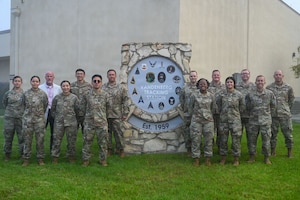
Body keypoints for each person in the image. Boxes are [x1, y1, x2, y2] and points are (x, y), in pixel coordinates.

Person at [246, 75, 276, 164]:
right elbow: (247, 106)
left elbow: (273, 106)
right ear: (255, 82)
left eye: (261, 81)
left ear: (264, 82)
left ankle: (266, 157)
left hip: (265, 121)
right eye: (258, 81)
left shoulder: (270, 94)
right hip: (253, 121)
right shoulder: (250, 94)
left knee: (266, 140)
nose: (260, 82)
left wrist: (267, 115)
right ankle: (252, 156)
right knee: (252, 140)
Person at [216, 77, 245, 166]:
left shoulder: (239, 95)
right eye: (227, 82)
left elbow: (242, 107)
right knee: (223, 140)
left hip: (235, 121)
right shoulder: (221, 94)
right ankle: (223, 158)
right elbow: (218, 105)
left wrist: (235, 114)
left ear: (234, 84)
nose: (229, 84)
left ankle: (236, 159)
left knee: (236, 140)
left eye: (231, 82)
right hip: (223, 121)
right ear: (225, 84)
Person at [82, 74, 109, 166]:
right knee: (87, 142)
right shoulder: (86, 94)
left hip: (102, 123)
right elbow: (82, 107)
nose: (96, 83)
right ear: (92, 82)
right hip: (89, 123)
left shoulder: (106, 94)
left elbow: (109, 108)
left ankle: (103, 160)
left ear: (101, 83)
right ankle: (86, 160)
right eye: (95, 81)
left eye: (98, 81)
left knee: (103, 143)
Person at [266, 70, 295, 157]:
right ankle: (273, 151)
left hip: (285, 115)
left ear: (283, 76)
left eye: (279, 75)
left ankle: (289, 152)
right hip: (273, 115)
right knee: (272, 134)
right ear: (274, 76)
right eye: (276, 75)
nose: (278, 76)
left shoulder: (288, 87)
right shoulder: (269, 87)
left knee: (288, 134)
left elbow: (291, 100)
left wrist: (286, 109)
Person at [189, 78, 217, 166]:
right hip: (196, 121)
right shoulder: (194, 95)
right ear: (198, 85)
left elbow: (213, 108)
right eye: (201, 84)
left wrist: (208, 115)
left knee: (208, 140)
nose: (203, 85)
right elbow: (190, 107)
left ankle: (208, 158)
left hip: (208, 121)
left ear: (207, 85)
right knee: (196, 140)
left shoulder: (211, 96)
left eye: (204, 84)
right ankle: (196, 159)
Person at [51, 80, 80, 164]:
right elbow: (53, 110)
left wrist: (74, 119)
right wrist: (57, 118)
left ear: (69, 87)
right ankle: (55, 157)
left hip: (71, 123)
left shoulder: (74, 98)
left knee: (71, 141)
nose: (65, 87)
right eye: (63, 86)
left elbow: (78, 110)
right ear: (61, 87)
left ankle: (71, 156)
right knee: (56, 140)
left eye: (67, 86)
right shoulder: (57, 97)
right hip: (59, 123)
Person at [22, 76, 48, 166]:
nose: (35, 83)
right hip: (28, 121)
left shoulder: (43, 94)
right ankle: (26, 159)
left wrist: (39, 115)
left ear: (39, 83)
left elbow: (45, 105)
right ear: (31, 82)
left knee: (40, 140)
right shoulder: (26, 94)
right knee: (27, 140)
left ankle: (40, 158)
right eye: (33, 81)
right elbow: (23, 105)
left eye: (37, 81)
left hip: (39, 121)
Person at [102, 69, 129, 157]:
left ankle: (120, 149)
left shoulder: (121, 88)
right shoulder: (103, 87)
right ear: (107, 76)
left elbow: (125, 100)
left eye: (113, 75)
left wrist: (125, 113)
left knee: (119, 134)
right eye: (109, 75)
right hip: (105, 115)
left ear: (115, 76)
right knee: (107, 134)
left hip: (117, 114)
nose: (111, 76)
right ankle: (109, 149)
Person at [2, 76, 25, 161]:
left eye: (19, 81)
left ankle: (22, 154)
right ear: (13, 82)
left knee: (22, 137)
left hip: (20, 118)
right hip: (9, 119)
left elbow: (26, 105)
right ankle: (7, 154)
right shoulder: (8, 93)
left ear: (21, 83)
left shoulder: (24, 94)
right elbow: (4, 103)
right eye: (15, 81)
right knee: (8, 137)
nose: (17, 82)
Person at [39, 71, 62, 151]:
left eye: (51, 76)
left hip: (54, 112)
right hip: (43, 112)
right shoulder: (40, 88)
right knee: (41, 132)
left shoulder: (58, 88)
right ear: (45, 77)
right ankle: (40, 150)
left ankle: (53, 150)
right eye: (48, 76)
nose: (49, 78)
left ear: (53, 77)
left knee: (54, 132)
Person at [235, 69, 255, 154]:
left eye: (246, 74)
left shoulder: (254, 86)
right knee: (237, 135)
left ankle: (251, 153)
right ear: (241, 75)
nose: (245, 75)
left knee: (251, 136)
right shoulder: (236, 86)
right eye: (243, 74)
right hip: (238, 115)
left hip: (250, 115)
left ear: (249, 75)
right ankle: (236, 152)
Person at [179, 70, 198, 156]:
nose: (193, 78)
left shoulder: (200, 86)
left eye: (194, 76)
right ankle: (189, 149)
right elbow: (181, 99)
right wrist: (185, 109)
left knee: (197, 133)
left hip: (198, 114)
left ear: (196, 77)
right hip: (188, 114)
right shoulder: (185, 88)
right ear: (189, 78)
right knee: (187, 132)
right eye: (191, 76)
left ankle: (197, 149)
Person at [207, 69, 225, 153]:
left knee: (221, 131)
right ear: (212, 76)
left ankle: (220, 148)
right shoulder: (208, 87)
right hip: (210, 113)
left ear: (220, 76)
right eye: (214, 75)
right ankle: (210, 148)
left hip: (221, 113)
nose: (216, 76)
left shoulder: (224, 87)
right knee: (210, 131)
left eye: (217, 75)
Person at [70, 68, 92, 134]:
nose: (79, 75)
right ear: (75, 75)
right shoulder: (71, 86)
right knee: (72, 132)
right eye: (78, 74)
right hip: (74, 112)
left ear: (84, 75)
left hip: (85, 113)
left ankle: (86, 144)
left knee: (86, 132)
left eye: (81, 74)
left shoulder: (89, 86)